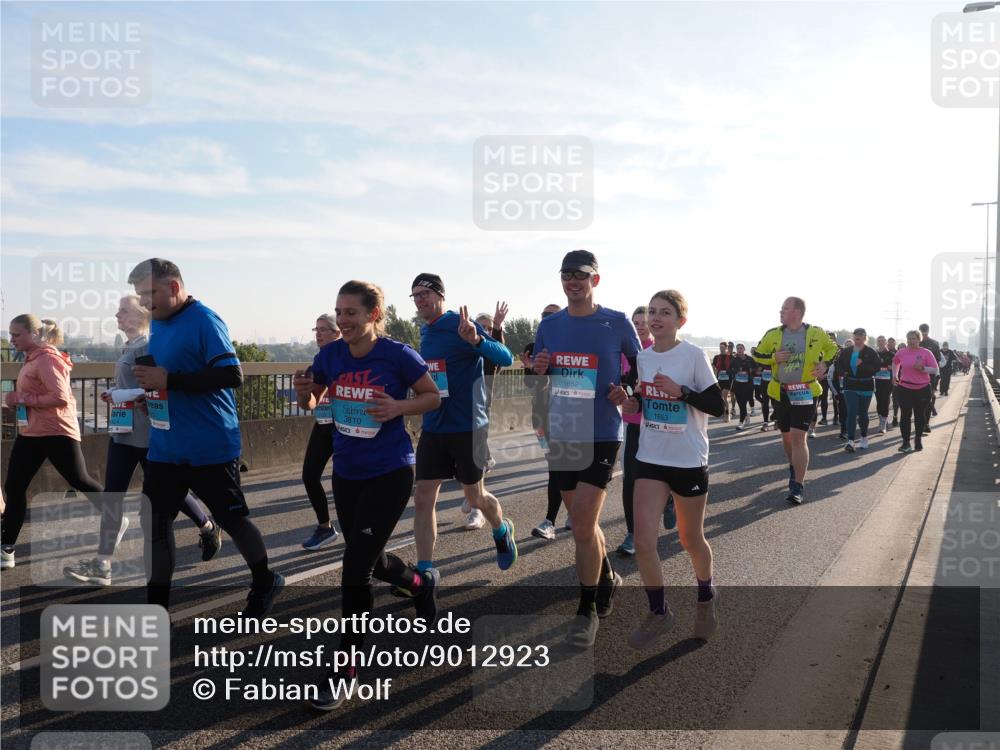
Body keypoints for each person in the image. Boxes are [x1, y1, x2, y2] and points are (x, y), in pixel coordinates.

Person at [295, 280, 442, 711]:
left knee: (354, 568)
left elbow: (432, 398)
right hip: (348, 472)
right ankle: (418, 583)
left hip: (391, 471)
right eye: (338, 313)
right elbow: (316, 404)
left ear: (373, 314)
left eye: (351, 313)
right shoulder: (331, 355)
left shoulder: (397, 355)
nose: (343, 321)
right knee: (373, 561)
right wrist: (307, 395)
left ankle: (346, 669)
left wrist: (398, 408)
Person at [127, 258, 282, 617]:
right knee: (156, 523)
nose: (145, 302)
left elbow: (232, 375)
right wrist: (149, 398)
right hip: (166, 448)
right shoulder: (159, 325)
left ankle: (264, 579)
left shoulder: (205, 320)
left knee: (232, 519)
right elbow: (169, 378)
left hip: (210, 445)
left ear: (174, 288)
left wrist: (170, 381)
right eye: (139, 295)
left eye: (149, 293)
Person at [63, 296, 221, 586]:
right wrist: (115, 392)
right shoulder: (129, 345)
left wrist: (125, 395)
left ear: (139, 315)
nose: (117, 315)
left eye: (123, 311)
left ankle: (208, 525)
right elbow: (132, 385)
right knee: (113, 497)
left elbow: (156, 388)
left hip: (150, 436)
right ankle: (103, 564)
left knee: (173, 492)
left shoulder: (149, 345)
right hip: (123, 433)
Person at [533, 249, 641, 648]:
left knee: (580, 524)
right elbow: (542, 373)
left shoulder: (615, 322)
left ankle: (587, 609)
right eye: (566, 275)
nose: (572, 281)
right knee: (583, 522)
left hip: (601, 431)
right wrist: (539, 369)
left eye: (580, 275)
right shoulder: (550, 324)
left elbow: (638, 366)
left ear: (595, 280)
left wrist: (626, 389)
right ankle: (608, 576)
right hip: (563, 430)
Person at [622, 290, 724, 648]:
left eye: (665, 312)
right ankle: (659, 611)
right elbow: (643, 403)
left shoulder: (694, 355)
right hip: (651, 456)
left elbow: (717, 405)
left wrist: (681, 392)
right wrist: (632, 401)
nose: (656, 317)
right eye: (651, 311)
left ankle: (706, 593)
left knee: (689, 538)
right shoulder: (644, 356)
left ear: (681, 320)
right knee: (644, 540)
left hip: (688, 459)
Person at [410, 273, 516, 581]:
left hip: (468, 426)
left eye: (425, 294)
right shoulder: (424, 333)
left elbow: (506, 358)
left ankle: (501, 527)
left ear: (440, 296)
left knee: (474, 498)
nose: (420, 300)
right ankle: (425, 570)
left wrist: (477, 340)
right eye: (415, 295)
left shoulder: (461, 325)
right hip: (434, 426)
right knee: (423, 495)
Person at [2, 315, 104, 570]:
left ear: (35, 334)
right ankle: (6, 549)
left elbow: (60, 397)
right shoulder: (33, 358)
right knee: (14, 487)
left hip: (56, 431)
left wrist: (21, 397)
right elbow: (38, 397)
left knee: (79, 480)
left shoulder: (48, 358)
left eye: (16, 335)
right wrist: (16, 408)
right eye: (11, 334)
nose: (11, 339)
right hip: (33, 432)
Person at [751, 297, 838, 505]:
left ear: (797, 312)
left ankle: (798, 485)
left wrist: (824, 364)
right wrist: (774, 358)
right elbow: (757, 355)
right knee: (788, 437)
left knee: (800, 437)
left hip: (806, 391)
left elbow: (835, 348)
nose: (780, 311)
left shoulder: (816, 333)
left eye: (785, 308)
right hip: (781, 392)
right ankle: (794, 466)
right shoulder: (773, 334)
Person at [524, 308, 569, 539]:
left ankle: (552, 519)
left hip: (571, 417)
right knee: (555, 468)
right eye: (544, 316)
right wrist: (533, 370)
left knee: (565, 470)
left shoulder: (571, 346)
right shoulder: (534, 349)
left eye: (552, 314)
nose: (547, 319)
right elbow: (530, 385)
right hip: (540, 418)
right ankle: (554, 520)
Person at [300, 314, 342, 551]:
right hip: (323, 424)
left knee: (343, 481)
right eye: (316, 329)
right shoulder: (316, 363)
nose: (318, 333)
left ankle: (362, 527)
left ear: (338, 333)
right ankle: (325, 527)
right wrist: (304, 393)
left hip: (343, 427)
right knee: (309, 475)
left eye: (324, 329)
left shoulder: (346, 359)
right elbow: (310, 401)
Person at [616, 306, 654, 556]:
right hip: (632, 422)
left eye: (643, 322)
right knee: (630, 476)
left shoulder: (657, 350)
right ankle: (632, 532)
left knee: (657, 476)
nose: (639, 325)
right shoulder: (623, 353)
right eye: (635, 322)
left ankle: (670, 500)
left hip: (657, 424)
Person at [475, 304, 509, 474]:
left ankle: (483, 462)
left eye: (488, 328)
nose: (485, 330)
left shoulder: (492, 350)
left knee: (480, 432)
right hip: (466, 397)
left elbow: (498, 350)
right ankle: (485, 459)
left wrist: (496, 327)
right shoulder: (469, 345)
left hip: (484, 398)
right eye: (481, 327)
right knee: (474, 433)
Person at [835, 328, 880, 452]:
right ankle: (850, 441)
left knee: (863, 413)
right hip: (850, 385)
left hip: (866, 385)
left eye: (860, 335)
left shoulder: (870, 352)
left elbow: (876, 367)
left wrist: (863, 364)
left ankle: (864, 437)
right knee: (852, 412)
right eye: (855, 335)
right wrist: (843, 372)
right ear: (853, 337)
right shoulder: (846, 351)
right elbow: (838, 364)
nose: (857, 337)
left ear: (865, 337)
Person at [892, 330, 938, 454]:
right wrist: (895, 375)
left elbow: (935, 369)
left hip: (922, 389)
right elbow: (895, 362)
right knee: (905, 416)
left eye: (913, 338)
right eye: (908, 338)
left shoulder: (926, 353)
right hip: (905, 388)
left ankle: (918, 439)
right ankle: (906, 443)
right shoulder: (901, 352)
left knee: (919, 415)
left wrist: (923, 368)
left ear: (919, 339)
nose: (910, 341)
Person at [918, 324, 941, 431]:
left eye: (925, 330)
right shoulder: (916, 343)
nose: (924, 332)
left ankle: (926, 424)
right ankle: (922, 423)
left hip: (930, 375)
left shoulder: (934, 343)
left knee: (928, 398)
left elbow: (938, 360)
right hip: (917, 375)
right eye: (922, 330)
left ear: (928, 330)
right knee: (919, 401)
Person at [730, 343, 756, 430]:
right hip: (737, 385)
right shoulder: (734, 360)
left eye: (741, 348)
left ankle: (740, 422)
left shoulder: (750, 359)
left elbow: (756, 369)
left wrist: (749, 372)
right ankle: (746, 415)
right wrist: (735, 372)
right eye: (738, 348)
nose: (739, 350)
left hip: (747, 385)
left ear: (744, 349)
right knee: (740, 404)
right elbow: (728, 371)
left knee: (743, 403)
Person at [874, 335, 894, 434]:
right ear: (877, 343)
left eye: (883, 340)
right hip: (877, 381)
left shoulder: (891, 354)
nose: (881, 342)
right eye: (879, 341)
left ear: (886, 342)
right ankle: (880, 420)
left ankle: (883, 424)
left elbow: (893, 367)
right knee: (879, 402)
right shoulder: (874, 354)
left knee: (885, 401)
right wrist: (885, 366)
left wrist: (886, 367)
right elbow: (874, 366)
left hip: (887, 382)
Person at [711, 343, 733, 422]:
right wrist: (714, 376)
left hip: (728, 379)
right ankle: (725, 411)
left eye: (723, 347)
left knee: (724, 396)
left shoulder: (731, 357)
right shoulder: (716, 357)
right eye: (720, 347)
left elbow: (734, 366)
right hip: (720, 379)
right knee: (721, 398)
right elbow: (713, 367)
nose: (721, 349)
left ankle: (727, 414)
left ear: (726, 348)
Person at [754, 363, 774, 431]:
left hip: (774, 383)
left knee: (775, 403)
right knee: (765, 403)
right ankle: (765, 423)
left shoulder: (775, 355)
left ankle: (776, 419)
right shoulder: (760, 359)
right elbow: (756, 371)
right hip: (764, 384)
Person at [887, 337, 900, 426]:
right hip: (886, 380)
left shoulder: (898, 353)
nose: (890, 344)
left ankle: (895, 417)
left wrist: (893, 368)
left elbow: (902, 365)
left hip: (896, 379)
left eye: (892, 342)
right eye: (889, 342)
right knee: (886, 399)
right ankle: (885, 417)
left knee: (895, 399)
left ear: (895, 343)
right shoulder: (884, 353)